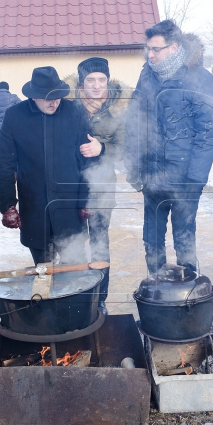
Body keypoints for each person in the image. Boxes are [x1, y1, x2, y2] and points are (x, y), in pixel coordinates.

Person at [125, 19, 213, 275]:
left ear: (174, 47)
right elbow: (134, 122)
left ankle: (187, 295)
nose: (151, 55)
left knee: (184, 238)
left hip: (185, 178)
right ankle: (157, 293)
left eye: (156, 49)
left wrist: (196, 178)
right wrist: (134, 167)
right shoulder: (147, 75)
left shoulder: (200, 78)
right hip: (152, 175)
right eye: (148, 49)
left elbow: (209, 131)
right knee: (152, 240)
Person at [0, 66, 101, 265]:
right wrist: (8, 205)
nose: (53, 103)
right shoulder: (14, 117)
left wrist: (87, 199)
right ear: (33, 96)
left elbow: (88, 161)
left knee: (76, 271)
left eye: (57, 97)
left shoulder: (75, 112)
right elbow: (4, 165)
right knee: (43, 272)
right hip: (35, 208)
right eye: (47, 98)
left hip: (70, 207)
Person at [64, 57, 130, 311]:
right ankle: (77, 297)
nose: (96, 85)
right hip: (70, 186)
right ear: (81, 84)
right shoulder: (66, 106)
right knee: (73, 241)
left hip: (102, 187)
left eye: (101, 80)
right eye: (91, 80)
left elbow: (125, 149)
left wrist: (102, 147)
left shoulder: (119, 109)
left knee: (100, 241)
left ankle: (100, 299)